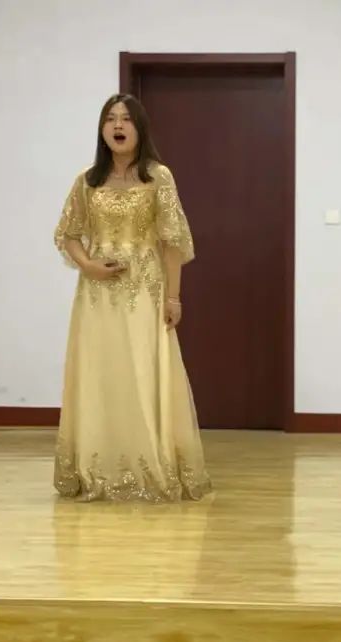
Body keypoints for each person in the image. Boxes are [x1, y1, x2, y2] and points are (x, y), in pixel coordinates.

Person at [52, 93, 212, 502]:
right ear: (101, 129)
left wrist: (173, 298)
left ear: (140, 129)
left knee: (143, 371)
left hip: (145, 287)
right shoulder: (87, 180)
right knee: (100, 372)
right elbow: (67, 234)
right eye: (110, 119)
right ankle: (98, 468)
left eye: (126, 119)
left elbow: (173, 241)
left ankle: (151, 465)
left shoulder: (159, 177)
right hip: (97, 295)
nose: (118, 126)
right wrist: (87, 265)